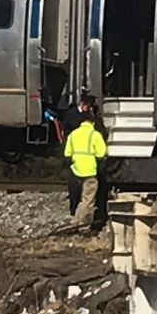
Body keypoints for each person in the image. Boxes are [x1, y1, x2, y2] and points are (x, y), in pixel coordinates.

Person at [63, 98, 107, 232]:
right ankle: (83, 227)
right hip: (89, 171)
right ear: (92, 122)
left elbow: (67, 153)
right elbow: (101, 153)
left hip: (76, 170)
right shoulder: (95, 135)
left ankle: (75, 222)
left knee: (80, 199)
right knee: (88, 200)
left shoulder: (73, 134)